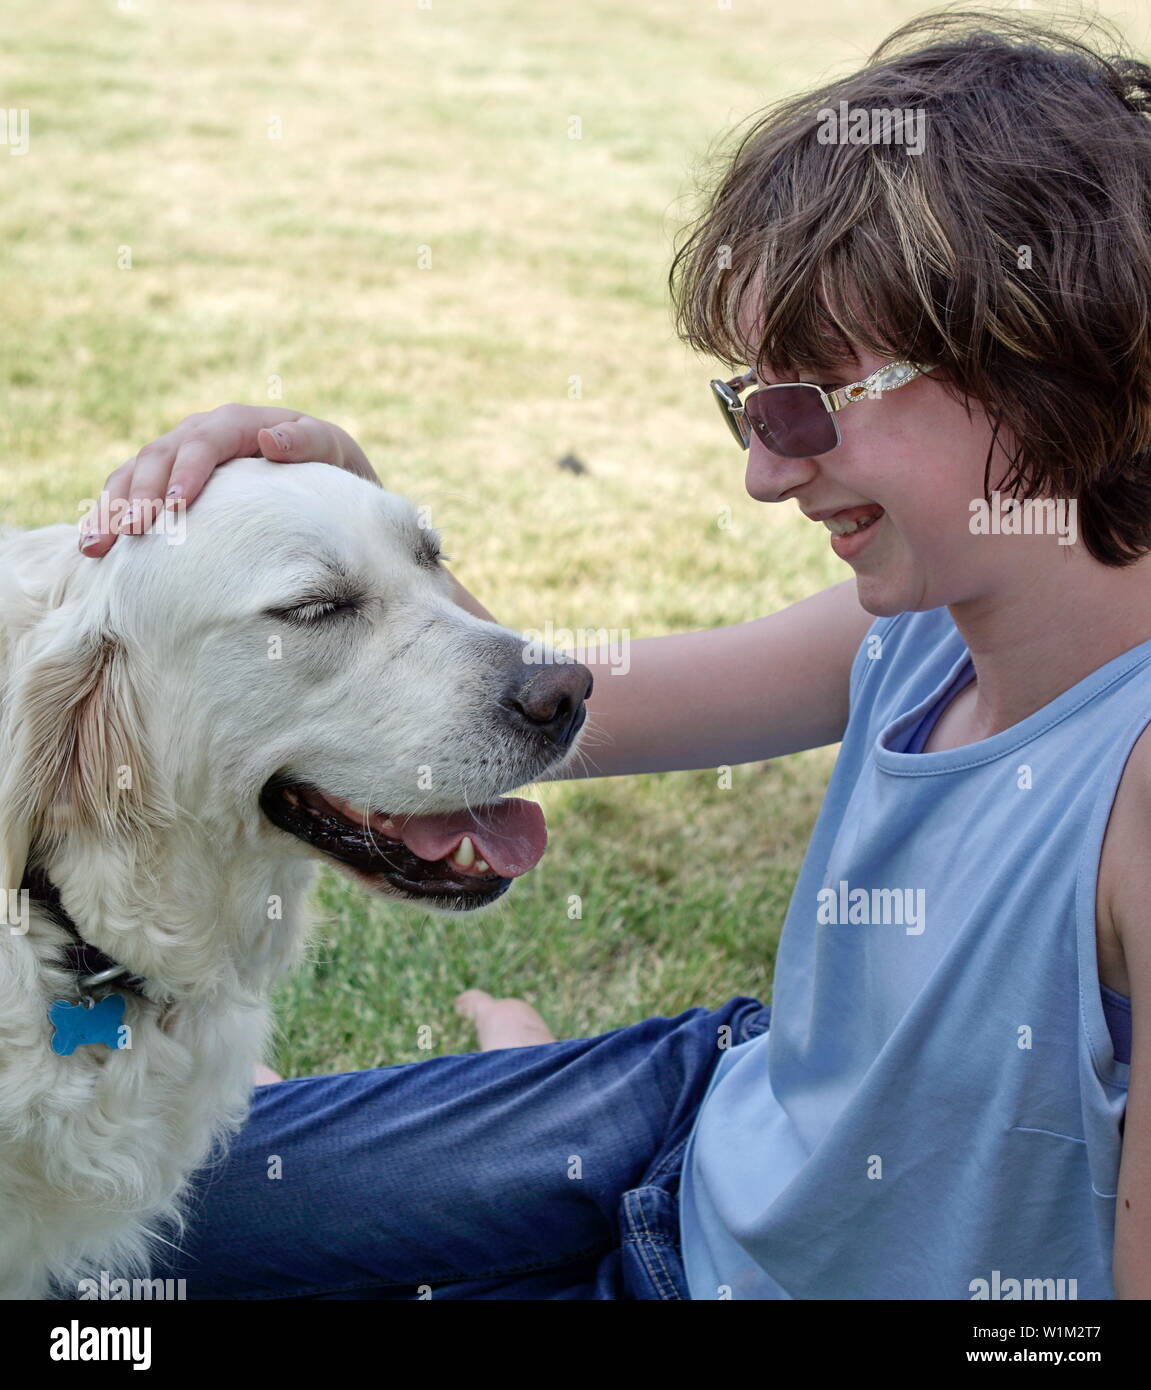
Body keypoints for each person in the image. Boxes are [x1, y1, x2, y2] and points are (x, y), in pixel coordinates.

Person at [75, 9, 1151, 1299]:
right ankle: (520, 1099)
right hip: (690, 1116)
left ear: (1043, 353)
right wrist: (352, 496)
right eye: (746, 407)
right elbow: (560, 711)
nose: (764, 472)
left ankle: (497, 1103)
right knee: (90, 1251)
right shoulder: (917, 632)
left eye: (808, 402)